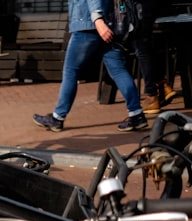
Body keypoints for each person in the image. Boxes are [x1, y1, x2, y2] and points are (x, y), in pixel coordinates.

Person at [33, 0, 146, 132]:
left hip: (88, 25)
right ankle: (136, 114)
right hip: (109, 24)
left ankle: (57, 118)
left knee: (70, 71)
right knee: (118, 70)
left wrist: (97, 19)